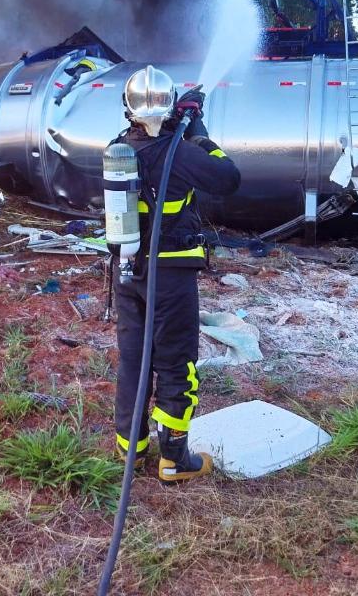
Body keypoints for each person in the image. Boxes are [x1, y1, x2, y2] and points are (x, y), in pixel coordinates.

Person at [112, 65, 241, 482]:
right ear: (169, 107)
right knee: (176, 362)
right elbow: (228, 178)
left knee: (134, 360)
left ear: (128, 108)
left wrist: (178, 129)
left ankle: (130, 450)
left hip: (127, 272)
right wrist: (197, 131)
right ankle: (174, 459)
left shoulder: (118, 150)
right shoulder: (180, 153)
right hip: (170, 275)